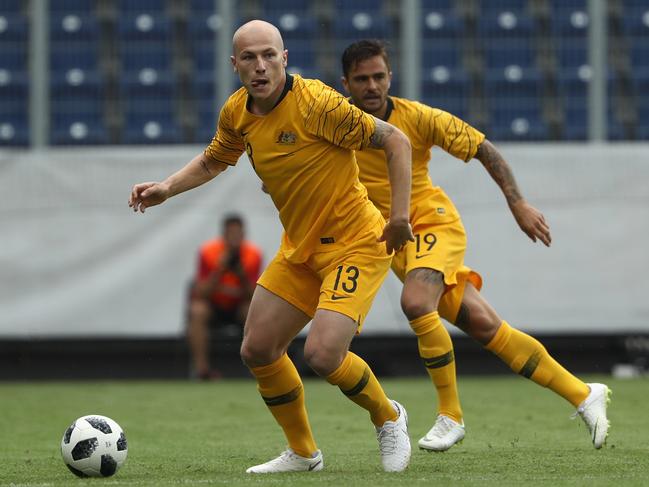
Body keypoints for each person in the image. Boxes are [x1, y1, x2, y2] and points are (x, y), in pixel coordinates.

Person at [129, 21, 415, 473]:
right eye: (249, 58)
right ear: (235, 64)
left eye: (268, 56)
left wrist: (399, 217)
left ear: (284, 58)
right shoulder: (238, 111)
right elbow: (213, 159)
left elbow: (396, 141)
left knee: (322, 354)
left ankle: (389, 416)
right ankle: (304, 453)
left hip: (356, 243)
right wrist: (167, 187)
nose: (259, 66)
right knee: (258, 349)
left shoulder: (318, 104)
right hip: (301, 248)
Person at [340, 39, 610, 452]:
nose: (372, 85)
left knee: (415, 303)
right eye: (362, 79)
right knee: (486, 327)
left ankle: (450, 415)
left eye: (379, 76)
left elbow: (484, 148)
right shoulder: (337, 126)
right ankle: (582, 393)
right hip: (397, 245)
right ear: (347, 84)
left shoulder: (419, 118)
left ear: (390, 76)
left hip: (434, 223)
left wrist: (517, 203)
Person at [187, 214, 263, 380]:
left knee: (252, 311)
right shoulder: (208, 252)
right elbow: (200, 292)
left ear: (243, 234)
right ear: (224, 234)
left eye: (238, 234)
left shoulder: (253, 254)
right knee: (197, 311)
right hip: (214, 304)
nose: (234, 238)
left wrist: (242, 275)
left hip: (239, 306)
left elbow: (255, 294)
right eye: (231, 234)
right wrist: (219, 269)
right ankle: (202, 370)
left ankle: (258, 368)